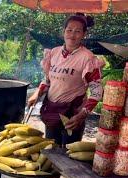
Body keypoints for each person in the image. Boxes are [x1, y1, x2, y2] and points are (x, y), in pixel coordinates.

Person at [28, 13, 105, 146]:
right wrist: (37, 93)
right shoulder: (54, 53)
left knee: (69, 156)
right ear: (63, 31)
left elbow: (97, 92)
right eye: (69, 30)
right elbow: (48, 80)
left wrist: (82, 115)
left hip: (73, 115)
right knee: (51, 151)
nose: (72, 35)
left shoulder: (88, 59)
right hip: (52, 112)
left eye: (77, 31)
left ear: (84, 34)